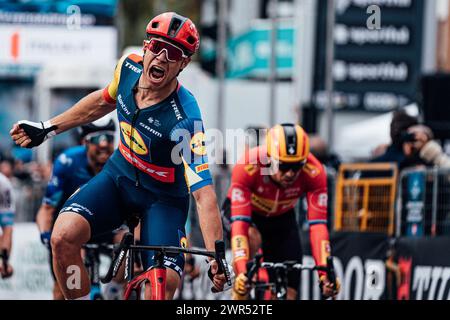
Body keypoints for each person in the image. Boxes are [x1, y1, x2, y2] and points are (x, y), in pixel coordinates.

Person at [10, 12, 226, 300]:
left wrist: (216, 256)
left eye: (172, 52)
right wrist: (48, 128)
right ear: (145, 45)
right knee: (62, 238)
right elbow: (101, 102)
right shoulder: (128, 69)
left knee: (161, 288)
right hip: (118, 178)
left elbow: (203, 194)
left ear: (183, 63)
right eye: (156, 46)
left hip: (162, 199)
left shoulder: (186, 118)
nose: (161, 57)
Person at [224, 123, 340, 300]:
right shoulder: (248, 166)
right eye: (284, 166)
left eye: (297, 166)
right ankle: (239, 296)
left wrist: (324, 275)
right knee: (251, 243)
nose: (290, 174)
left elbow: (318, 227)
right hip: (246, 214)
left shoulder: (315, 171)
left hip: (281, 217)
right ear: (269, 158)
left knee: (290, 290)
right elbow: (240, 223)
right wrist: (240, 269)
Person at [36, 116, 118, 300]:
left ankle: (115, 291)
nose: (104, 147)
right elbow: (47, 209)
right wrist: (45, 235)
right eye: (97, 141)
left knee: (130, 261)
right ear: (85, 142)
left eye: (109, 140)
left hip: (107, 226)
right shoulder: (67, 162)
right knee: (61, 287)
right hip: (73, 227)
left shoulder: (119, 162)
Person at [0, 162, 15, 279]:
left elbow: (7, 228)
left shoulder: (4, 183)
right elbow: (7, 228)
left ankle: (3, 262)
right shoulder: (4, 182)